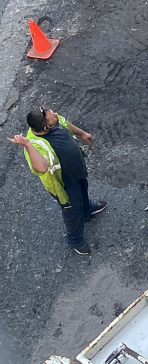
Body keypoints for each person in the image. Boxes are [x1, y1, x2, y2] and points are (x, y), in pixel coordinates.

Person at [8, 108, 106, 256]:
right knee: (72, 209)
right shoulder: (35, 145)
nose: (56, 114)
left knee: (83, 189)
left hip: (76, 172)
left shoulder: (53, 121)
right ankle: (75, 239)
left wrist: (82, 134)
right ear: (45, 127)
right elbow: (42, 167)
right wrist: (27, 145)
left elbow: (66, 124)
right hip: (64, 183)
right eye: (52, 117)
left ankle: (87, 210)